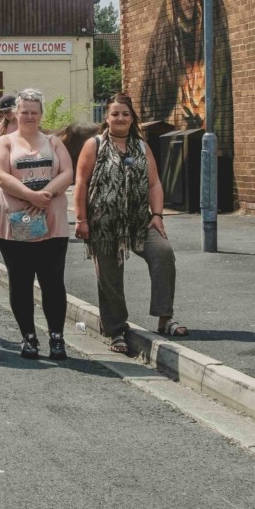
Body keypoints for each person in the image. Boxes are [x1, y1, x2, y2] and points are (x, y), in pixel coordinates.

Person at [73, 93, 182, 355]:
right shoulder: (94, 145)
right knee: (109, 277)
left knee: (163, 254)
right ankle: (116, 330)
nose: (120, 118)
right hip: (104, 223)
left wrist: (157, 215)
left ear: (132, 118)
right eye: (115, 114)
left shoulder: (142, 147)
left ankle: (164, 317)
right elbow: (81, 183)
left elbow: (154, 183)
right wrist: (81, 219)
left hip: (138, 220)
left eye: (125, 114)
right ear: (107, 118)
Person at [0, 89, 74, 359]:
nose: (28, 116)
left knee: (53, 281)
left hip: (51, 219)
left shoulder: (53, 141)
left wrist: (45, 195)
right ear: (15, 112)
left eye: (34, 111)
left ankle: (57, 339)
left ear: (41, 114)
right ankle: (29, 337)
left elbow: (67, 172)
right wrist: (31, 196)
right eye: (24, 111)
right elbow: (1, 175)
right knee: (21, 280)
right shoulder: (4, 142)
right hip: (15, 221)